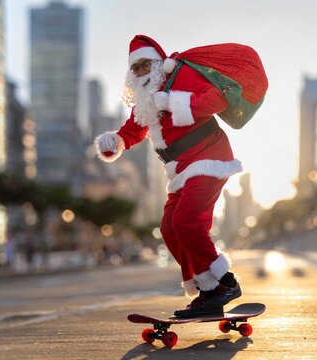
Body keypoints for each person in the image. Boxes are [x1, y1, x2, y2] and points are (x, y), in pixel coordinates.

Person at [95, 35, 242, 318]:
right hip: (178, 170)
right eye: (135, 68)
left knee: (186, 221)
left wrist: (172, 101)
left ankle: (227, 282)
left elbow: (217, 99)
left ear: (158, 62)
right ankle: (209, 290)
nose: (140, 72)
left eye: (145, 64)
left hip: (208, 158)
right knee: (169, 228)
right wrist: (115, 141)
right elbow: (132, 131)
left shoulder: (180, 76)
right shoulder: (144, 102)